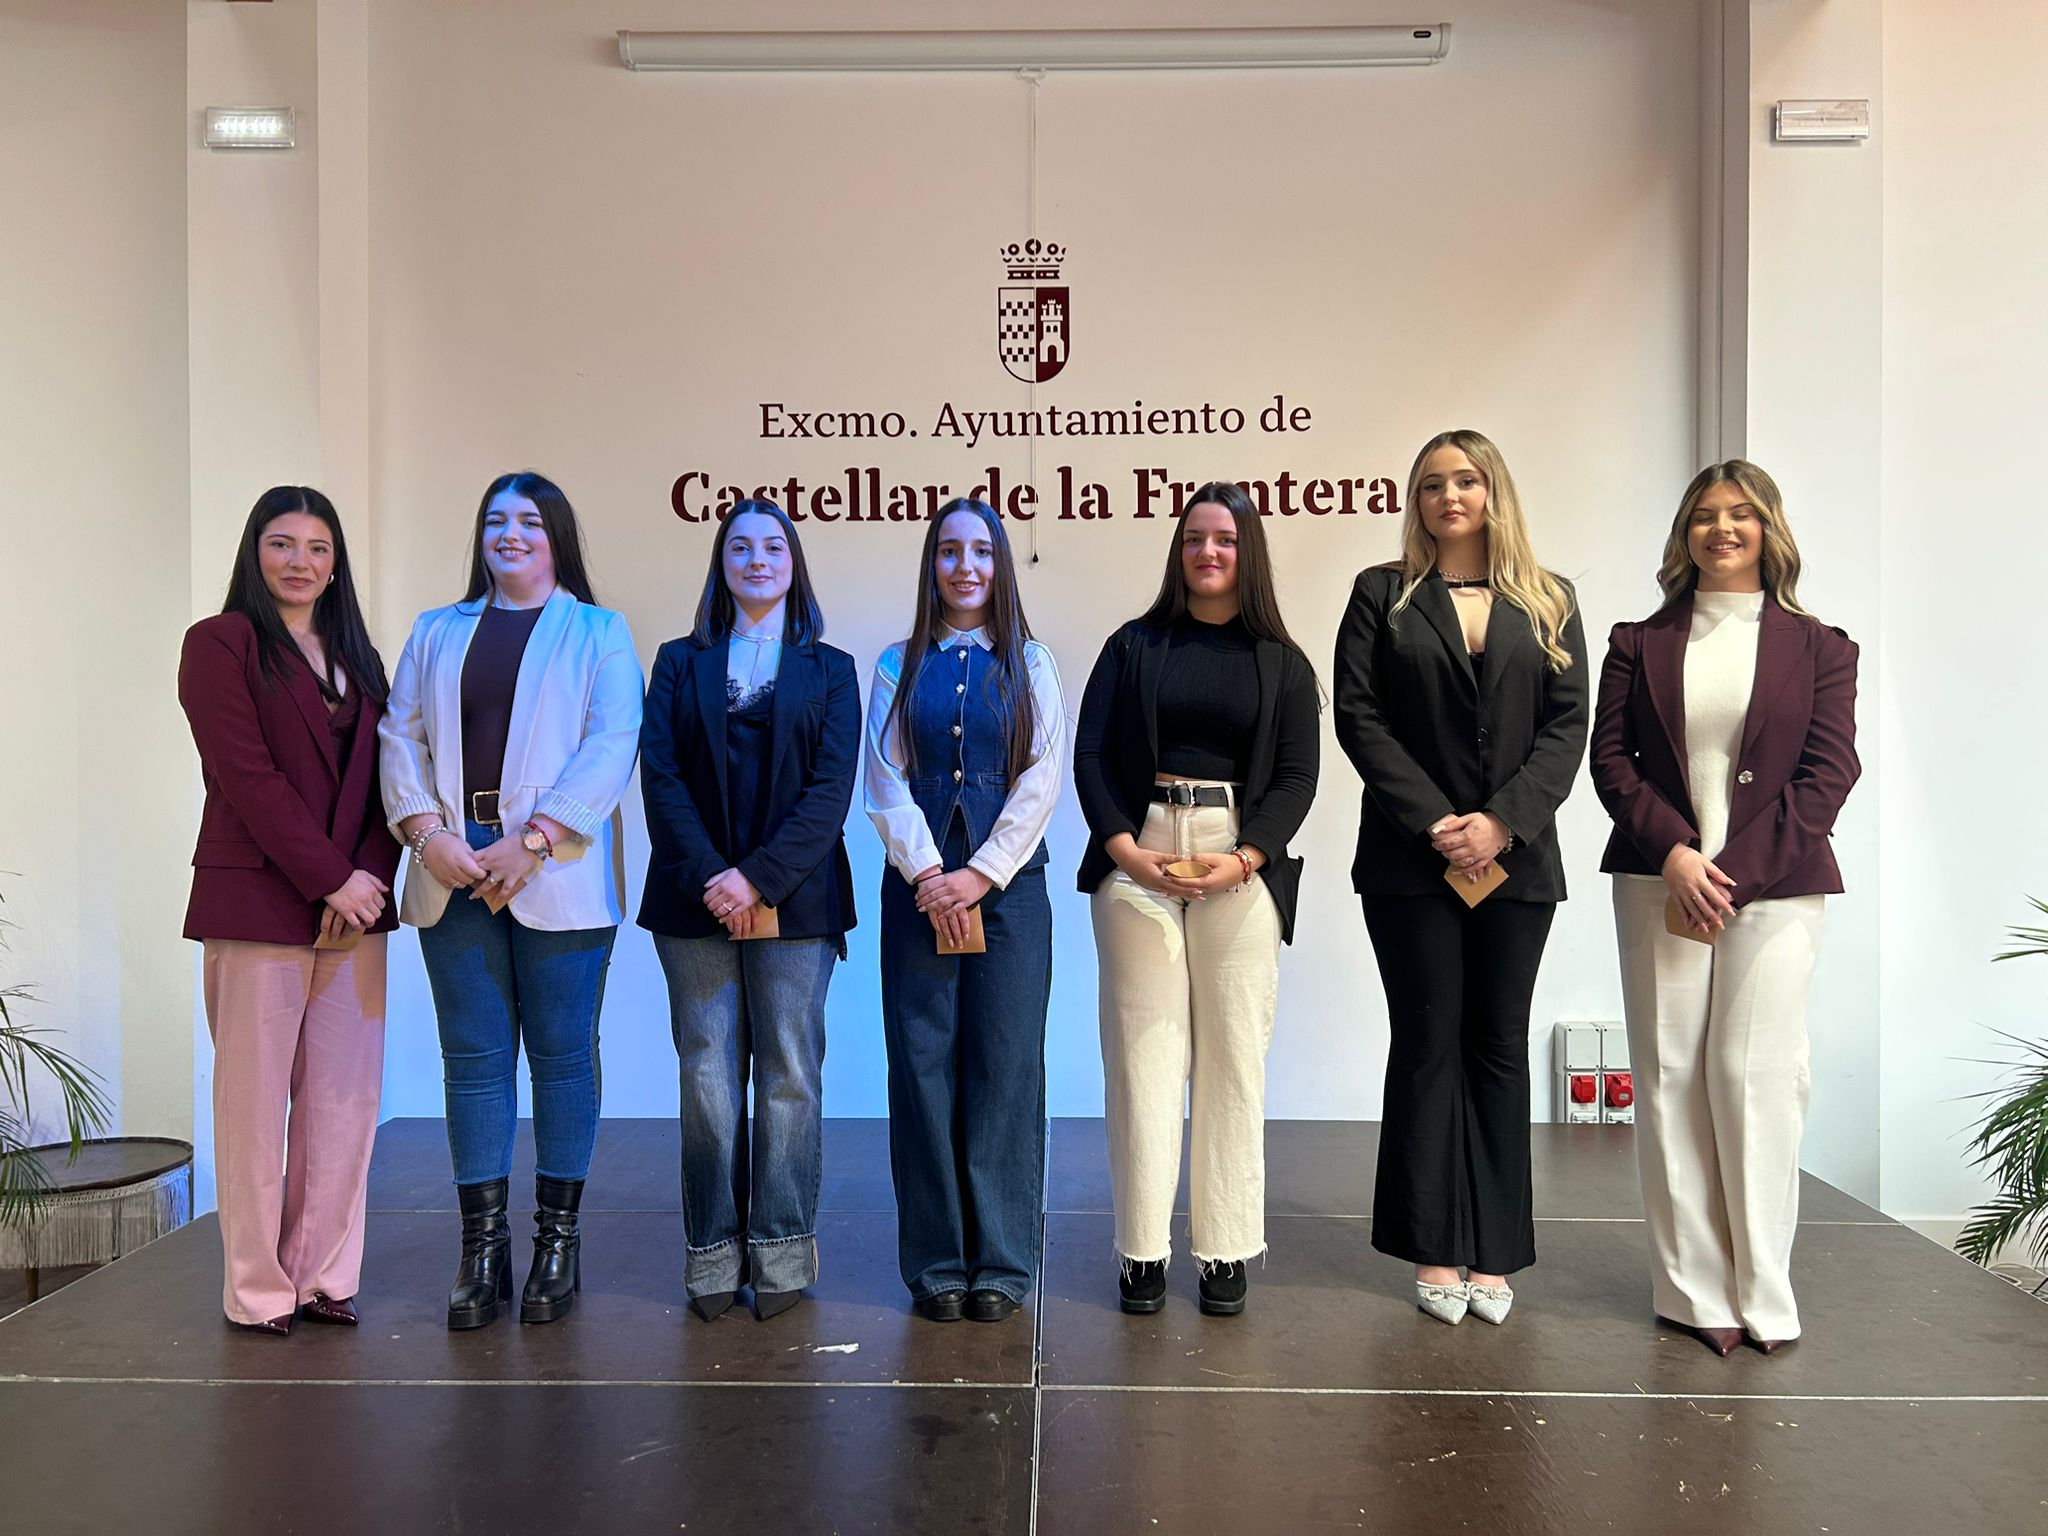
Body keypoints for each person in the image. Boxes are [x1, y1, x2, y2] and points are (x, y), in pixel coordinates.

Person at [1590, 459, 1859, 1357]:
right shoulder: (1637, 642)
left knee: (1757, 1081)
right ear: (1685, 534)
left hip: (1775, 888)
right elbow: (1611, 764)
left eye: (1741, 514)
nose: (1722, 529)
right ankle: (1691, 1290)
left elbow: (1829, 774)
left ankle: (1763, 1291)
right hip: (1656, 882)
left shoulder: (1822, 649)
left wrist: (1729, 873)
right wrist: (1677, 855)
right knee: (1668, 1077)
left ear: (1769, 529)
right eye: (1704, 515)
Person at [1332, 429, 1588, 1327]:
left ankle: (1496, 1252)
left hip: (1518, 863)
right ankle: (1434, 1247)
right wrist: (1438, 821)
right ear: (1418, 501)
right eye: (1433, 484)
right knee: (1428, 1040)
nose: (1450, 496)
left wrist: (1501, 822)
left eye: (1467, 480)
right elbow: (1359, 716)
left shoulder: (1550, 598)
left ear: (1493, 492)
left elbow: (1566, 727)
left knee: (1500, 1045)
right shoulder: (1383, 594)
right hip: (1412, 860)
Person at [379, 471, 642, 1329]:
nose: (511, 534)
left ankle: (558, 1245)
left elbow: (612, 744)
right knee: (475, 1061)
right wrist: (429, 836)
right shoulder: (436, 630)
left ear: (556, 535)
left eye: (529, 520)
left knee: (564, 1057)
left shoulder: (598, 632)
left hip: (555, 871)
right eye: (496, 520)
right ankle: (482, 1252)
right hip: (454, 869)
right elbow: (399, 737)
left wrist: (533, 841)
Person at [1075, 480, 1320, 1318]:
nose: (1207, 552)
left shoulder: (1282, 662)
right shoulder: (1133, 645)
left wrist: (1246, 859)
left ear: (1248, 554)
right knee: (1142, 1057)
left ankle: (1224, 1248)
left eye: (1224, 539)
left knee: (1233, 1059)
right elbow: (1091, 755)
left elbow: (1296, 778)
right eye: (1193, 538)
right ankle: (1142, 1250)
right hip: (1138, 852)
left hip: (1236, 858)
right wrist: (1124, 852)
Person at [178, 486, 398, 1335]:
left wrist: (367, 879)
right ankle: (257, 1289)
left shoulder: (361, 657)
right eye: (281, 543)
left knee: (343, 1102)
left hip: (356, 911)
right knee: (253, 1104)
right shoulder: (220, 643)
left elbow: (388, 780)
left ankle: (321, 1276)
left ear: (336, 563)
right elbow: (247, 777)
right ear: (254, 551)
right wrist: (331, 879)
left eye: (316, 547)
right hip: (260, 902)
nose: (299, 561)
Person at [639, 499, 859, 1322]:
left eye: (773, 546)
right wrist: (715, 878)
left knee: (789, 1076)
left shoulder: (832, 669)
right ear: (721, 563)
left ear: (793, 563)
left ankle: (782, 1251)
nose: (757, 559)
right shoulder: (677, 662)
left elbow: (829, 793)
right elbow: (661, 779)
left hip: (797, 903)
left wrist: (758, 880)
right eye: (740, 547)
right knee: (706, 1077)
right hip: (692, 898)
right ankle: (710, 1255)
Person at [863, 498, 1064, 1323]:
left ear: (1000, 564)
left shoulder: (1032, 662)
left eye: (981, 552)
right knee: (922, 1070)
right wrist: (928, 872)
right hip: (918, 893)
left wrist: (979, 874)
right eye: (949, 552)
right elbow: (883, 778)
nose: (965, 567)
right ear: (932, 565)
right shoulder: (897, 663)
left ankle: (1003, 1263)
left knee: (1005, 1069)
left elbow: (1042, 779)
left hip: (1010, 895)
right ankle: (937, 1263)